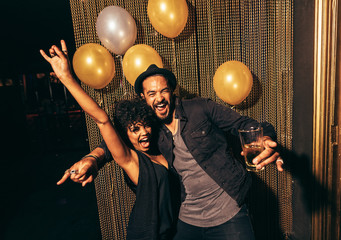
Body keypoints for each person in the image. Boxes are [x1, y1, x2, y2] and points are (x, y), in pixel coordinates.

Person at [62, 65, 284, 238]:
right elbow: (116, 141)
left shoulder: (200, 109)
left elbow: (244, 124)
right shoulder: (149, 128)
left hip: (229, 213)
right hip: (187, 221)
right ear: (143, 98)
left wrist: (264, 138)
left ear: (171, 92)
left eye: (163, 91)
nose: (159, 98)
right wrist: (93, 158)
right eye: (151, 94)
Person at [40, 40, 180, 240]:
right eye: (135, 129)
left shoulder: (162, 150)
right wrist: (66, 78)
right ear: (126, 135)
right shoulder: (132, 161)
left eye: (145, 125)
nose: (144, 133)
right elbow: (102, 120)